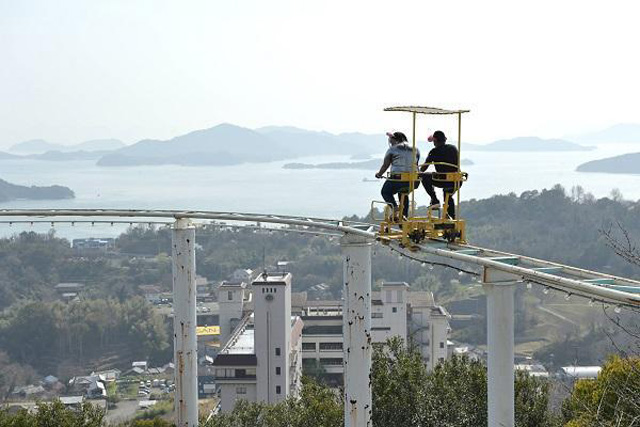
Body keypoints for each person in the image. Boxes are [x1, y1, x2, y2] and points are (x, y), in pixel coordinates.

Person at [375, 131, 420, 219]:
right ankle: (404, 215)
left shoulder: (392, 149)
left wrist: (379, 174)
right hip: (414, 181)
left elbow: (385, 165)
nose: (390, 143)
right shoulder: (416, 149)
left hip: (397, 180)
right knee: (404, 193)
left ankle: (395, 209)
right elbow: (416, 164)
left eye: (390, 141)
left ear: (395, 139)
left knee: (385, 192)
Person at [420, 130, 460, 218]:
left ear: (435, 141)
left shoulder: (434, 151)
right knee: (448, 195)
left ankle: (434, 200)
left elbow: (424, 167)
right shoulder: (453, 148)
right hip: (456, 180)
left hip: (443, 180)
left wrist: (418, 172)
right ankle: (451, 216)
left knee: (424, 176)